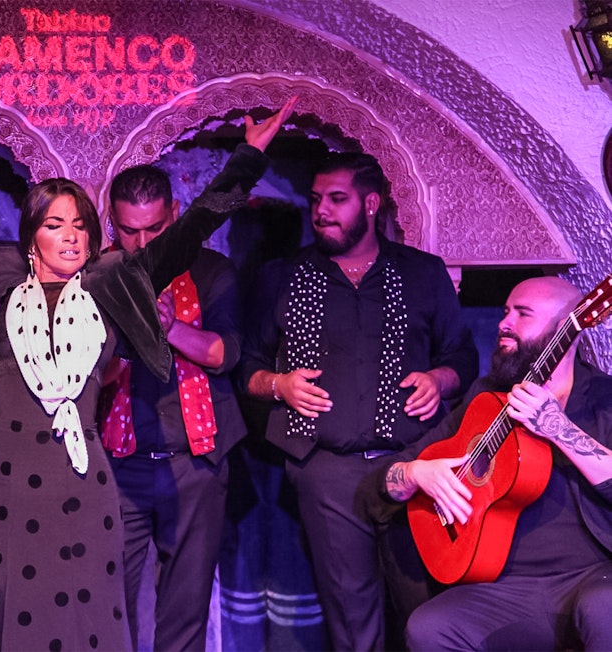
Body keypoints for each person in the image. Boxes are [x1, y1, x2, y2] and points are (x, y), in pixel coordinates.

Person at [0, 94, 297, 651]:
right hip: (4, 477)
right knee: (2, 620)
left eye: (80, 226)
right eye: (54, 224)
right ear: (32, 237)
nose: (70, 235)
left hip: (77, 478)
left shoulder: (109, 289)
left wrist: (247, 159)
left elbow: (191, 231)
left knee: (78, 623)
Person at [240, 152, 478, 650]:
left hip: (415, 465)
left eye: (337, 199)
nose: (322, 210)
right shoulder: (282, 276)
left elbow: (462, 355)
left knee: (425, 609)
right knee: (352, 621)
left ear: (371, 204)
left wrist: (440, 378)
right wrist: (278, 385)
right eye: (316, 200)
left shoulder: (422, 273)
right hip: (327, 473)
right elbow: (248, 368)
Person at [381, 275, 612, 651]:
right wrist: (417, 473)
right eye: (506, 311)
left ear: (566, 327)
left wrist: (557, 427)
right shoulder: (485, 397)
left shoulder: (605, 398)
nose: (504, 322)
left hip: (593, 578)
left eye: (523, 314)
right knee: (429, 627)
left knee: (606, 607)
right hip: (506, 589)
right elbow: (396, 470)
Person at [99, 164, 246, 650]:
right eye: (130, 231)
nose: (143, 245)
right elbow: (80, 379)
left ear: (177, 216)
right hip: (118, 469)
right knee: (104, 608)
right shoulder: (98, 279)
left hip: (194, 465)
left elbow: (225, 355)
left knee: (183, 617)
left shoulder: (210, 270)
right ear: (111, 224)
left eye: (156, 230)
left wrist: (168, 328)